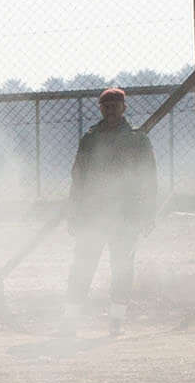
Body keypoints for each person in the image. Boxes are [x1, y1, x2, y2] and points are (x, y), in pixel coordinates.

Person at [62, 87, 155, 327]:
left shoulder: (137, 139)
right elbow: (78, 177)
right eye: (106, 106)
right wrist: (74, 212)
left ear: (124, 107)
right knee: (83, 263)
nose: (110, 110)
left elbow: (148, 178)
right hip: (93, 213)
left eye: (115, 105)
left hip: (126, 215)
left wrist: (147, 213)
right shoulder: (91, 139)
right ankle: (71, 317)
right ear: (100, 109)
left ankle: (116, 318)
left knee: (122, 266)